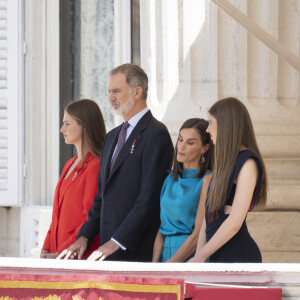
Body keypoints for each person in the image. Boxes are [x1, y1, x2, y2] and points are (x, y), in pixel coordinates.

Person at [58, 63, 174, 262]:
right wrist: (84, 236)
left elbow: (149, 198)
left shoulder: (157, 135)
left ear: (137, 91)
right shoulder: (111, 137)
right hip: (106, 251)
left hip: (136, 252)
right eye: (109, 92)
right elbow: (101, 197)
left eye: (117, 91)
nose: (111, 98)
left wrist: (117, 241)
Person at [189, 97, 267, 263]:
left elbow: (234, 222)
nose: (208, 130)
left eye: (211, 123)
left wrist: (201, 256)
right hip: (219, 258)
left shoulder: (247, 163)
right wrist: (199, 256)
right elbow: (208, 216)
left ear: (226, 124)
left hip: (239, 258)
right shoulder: (225, 163)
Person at [40, 99, 106, 259]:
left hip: (77, 255)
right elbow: (56, 216)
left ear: (84, 126)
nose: (62, 129)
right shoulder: (69, 164)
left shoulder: (95, 165)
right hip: (57, 256)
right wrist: (46, 248)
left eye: (67, 124)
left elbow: (88, 219)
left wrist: (61, 252)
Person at [152, 118, 213, 263]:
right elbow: (162, 229)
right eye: (180, 140)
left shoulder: (208, 179)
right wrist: (155, 266)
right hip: (166, 255)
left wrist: (170, 266)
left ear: (205, 148)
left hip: (190, 256)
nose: (182, 146)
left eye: (190, 142)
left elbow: (198, 234)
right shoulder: (170, 179)